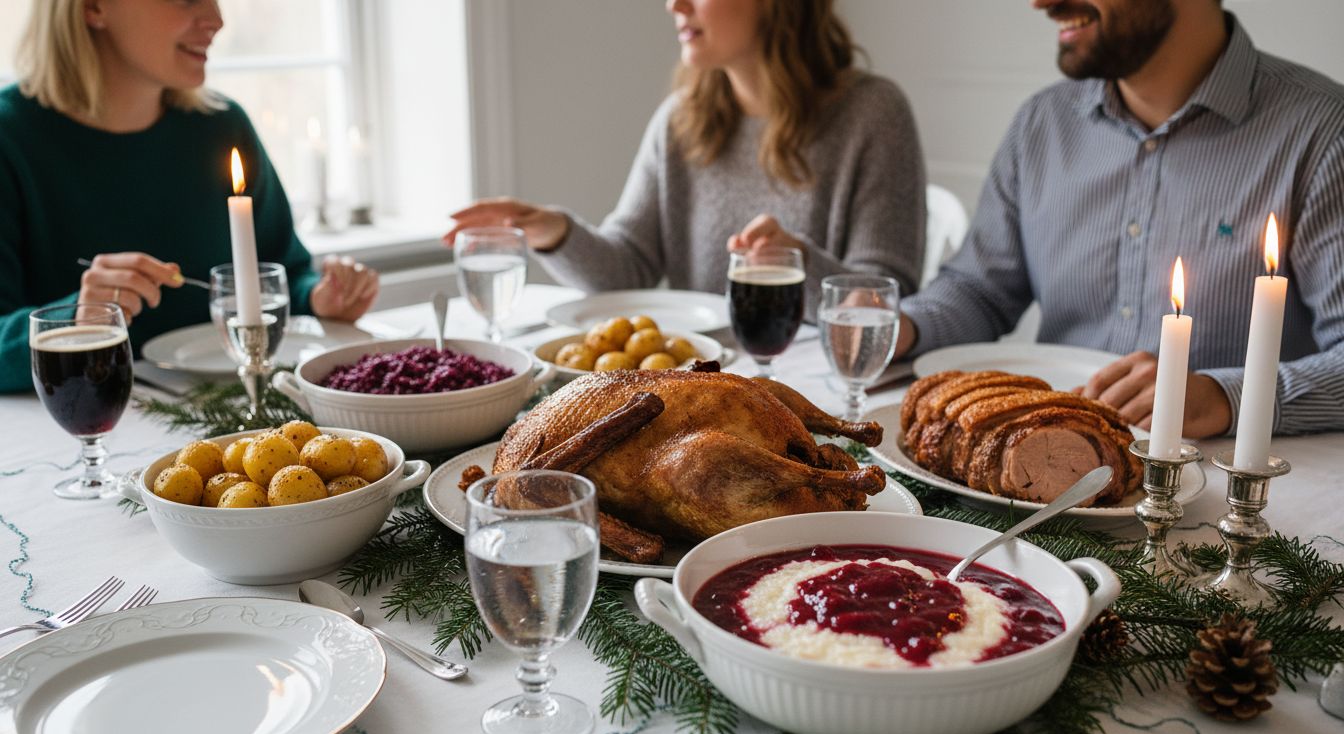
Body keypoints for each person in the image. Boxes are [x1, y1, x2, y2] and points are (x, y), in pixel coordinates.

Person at [895, 0, 1344, 438]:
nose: (1042, 3)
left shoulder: (1322, 131)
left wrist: (1226, 398)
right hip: (1051, 464)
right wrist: (899, 327)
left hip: (1234, 491)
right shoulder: (1042, 124)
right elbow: (981, 289)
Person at [445, 0, 926, 313]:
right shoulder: (681, 119)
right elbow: (628, 267)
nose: (674, 5)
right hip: (705, 390)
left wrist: (794, 261)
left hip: (814, 389)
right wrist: (556, 233)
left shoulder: (874, 114)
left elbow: (882, 298)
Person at [0, 0, 380, 394]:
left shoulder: (222, 126)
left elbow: (283, 271)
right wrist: (74, 319)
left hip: (234, 410)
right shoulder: (10, 138)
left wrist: (320, 297)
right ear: (94, 8)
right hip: (81, 426)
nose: (216, 20)